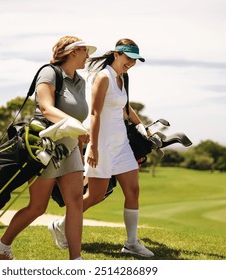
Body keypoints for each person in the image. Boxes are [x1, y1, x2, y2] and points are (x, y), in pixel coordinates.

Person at [0, 36, 96, 260]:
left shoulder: (80, 81)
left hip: (70, 148)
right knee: (38, 206)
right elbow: (46, 108)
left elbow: (77, 113)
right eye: (85, 51)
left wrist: (78, 138)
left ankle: (76, 261)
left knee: (76, 202)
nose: (88, 56)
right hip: (44, 148)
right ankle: (2, 245)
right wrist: (77, 127)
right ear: (72, 51)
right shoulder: (49, 73)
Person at [49, 38, 154, 258]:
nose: (131, 63)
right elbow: (95, 113)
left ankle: (131, 243)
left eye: (135, 60)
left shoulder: (122, 77)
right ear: (117, 54)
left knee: (133, 191)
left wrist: (141, 126)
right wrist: (94, 149)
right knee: (96, 195)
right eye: (128, 58)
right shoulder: (103, 77)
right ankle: (61, 226)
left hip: (121, 144)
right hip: (102, 145)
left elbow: (125, 107)